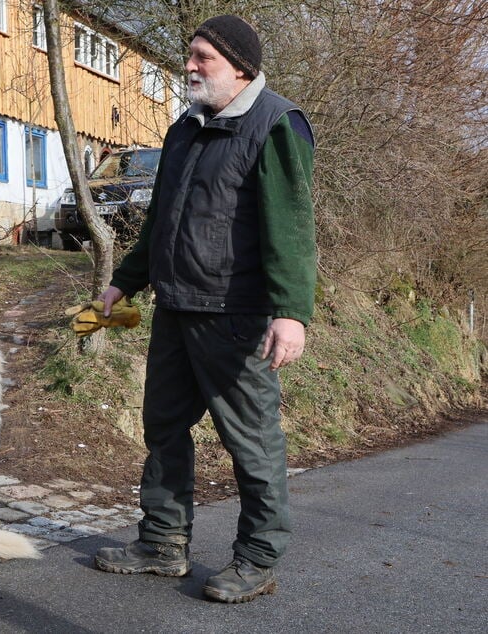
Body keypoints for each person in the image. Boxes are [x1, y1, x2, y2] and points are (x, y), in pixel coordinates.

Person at [93, 15, 316, 604]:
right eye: (188, 56)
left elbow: (291, 227)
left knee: (251, 441)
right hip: (176, 307)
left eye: (202, 58)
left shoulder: (276, 125)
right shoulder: (183, 131)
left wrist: (291, 311)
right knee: (163, 427)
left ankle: (258, 558)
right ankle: (163, 543)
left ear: (240, 67)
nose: (188, 66)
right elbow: (161, 221)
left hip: (236, 314)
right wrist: (125, 282)